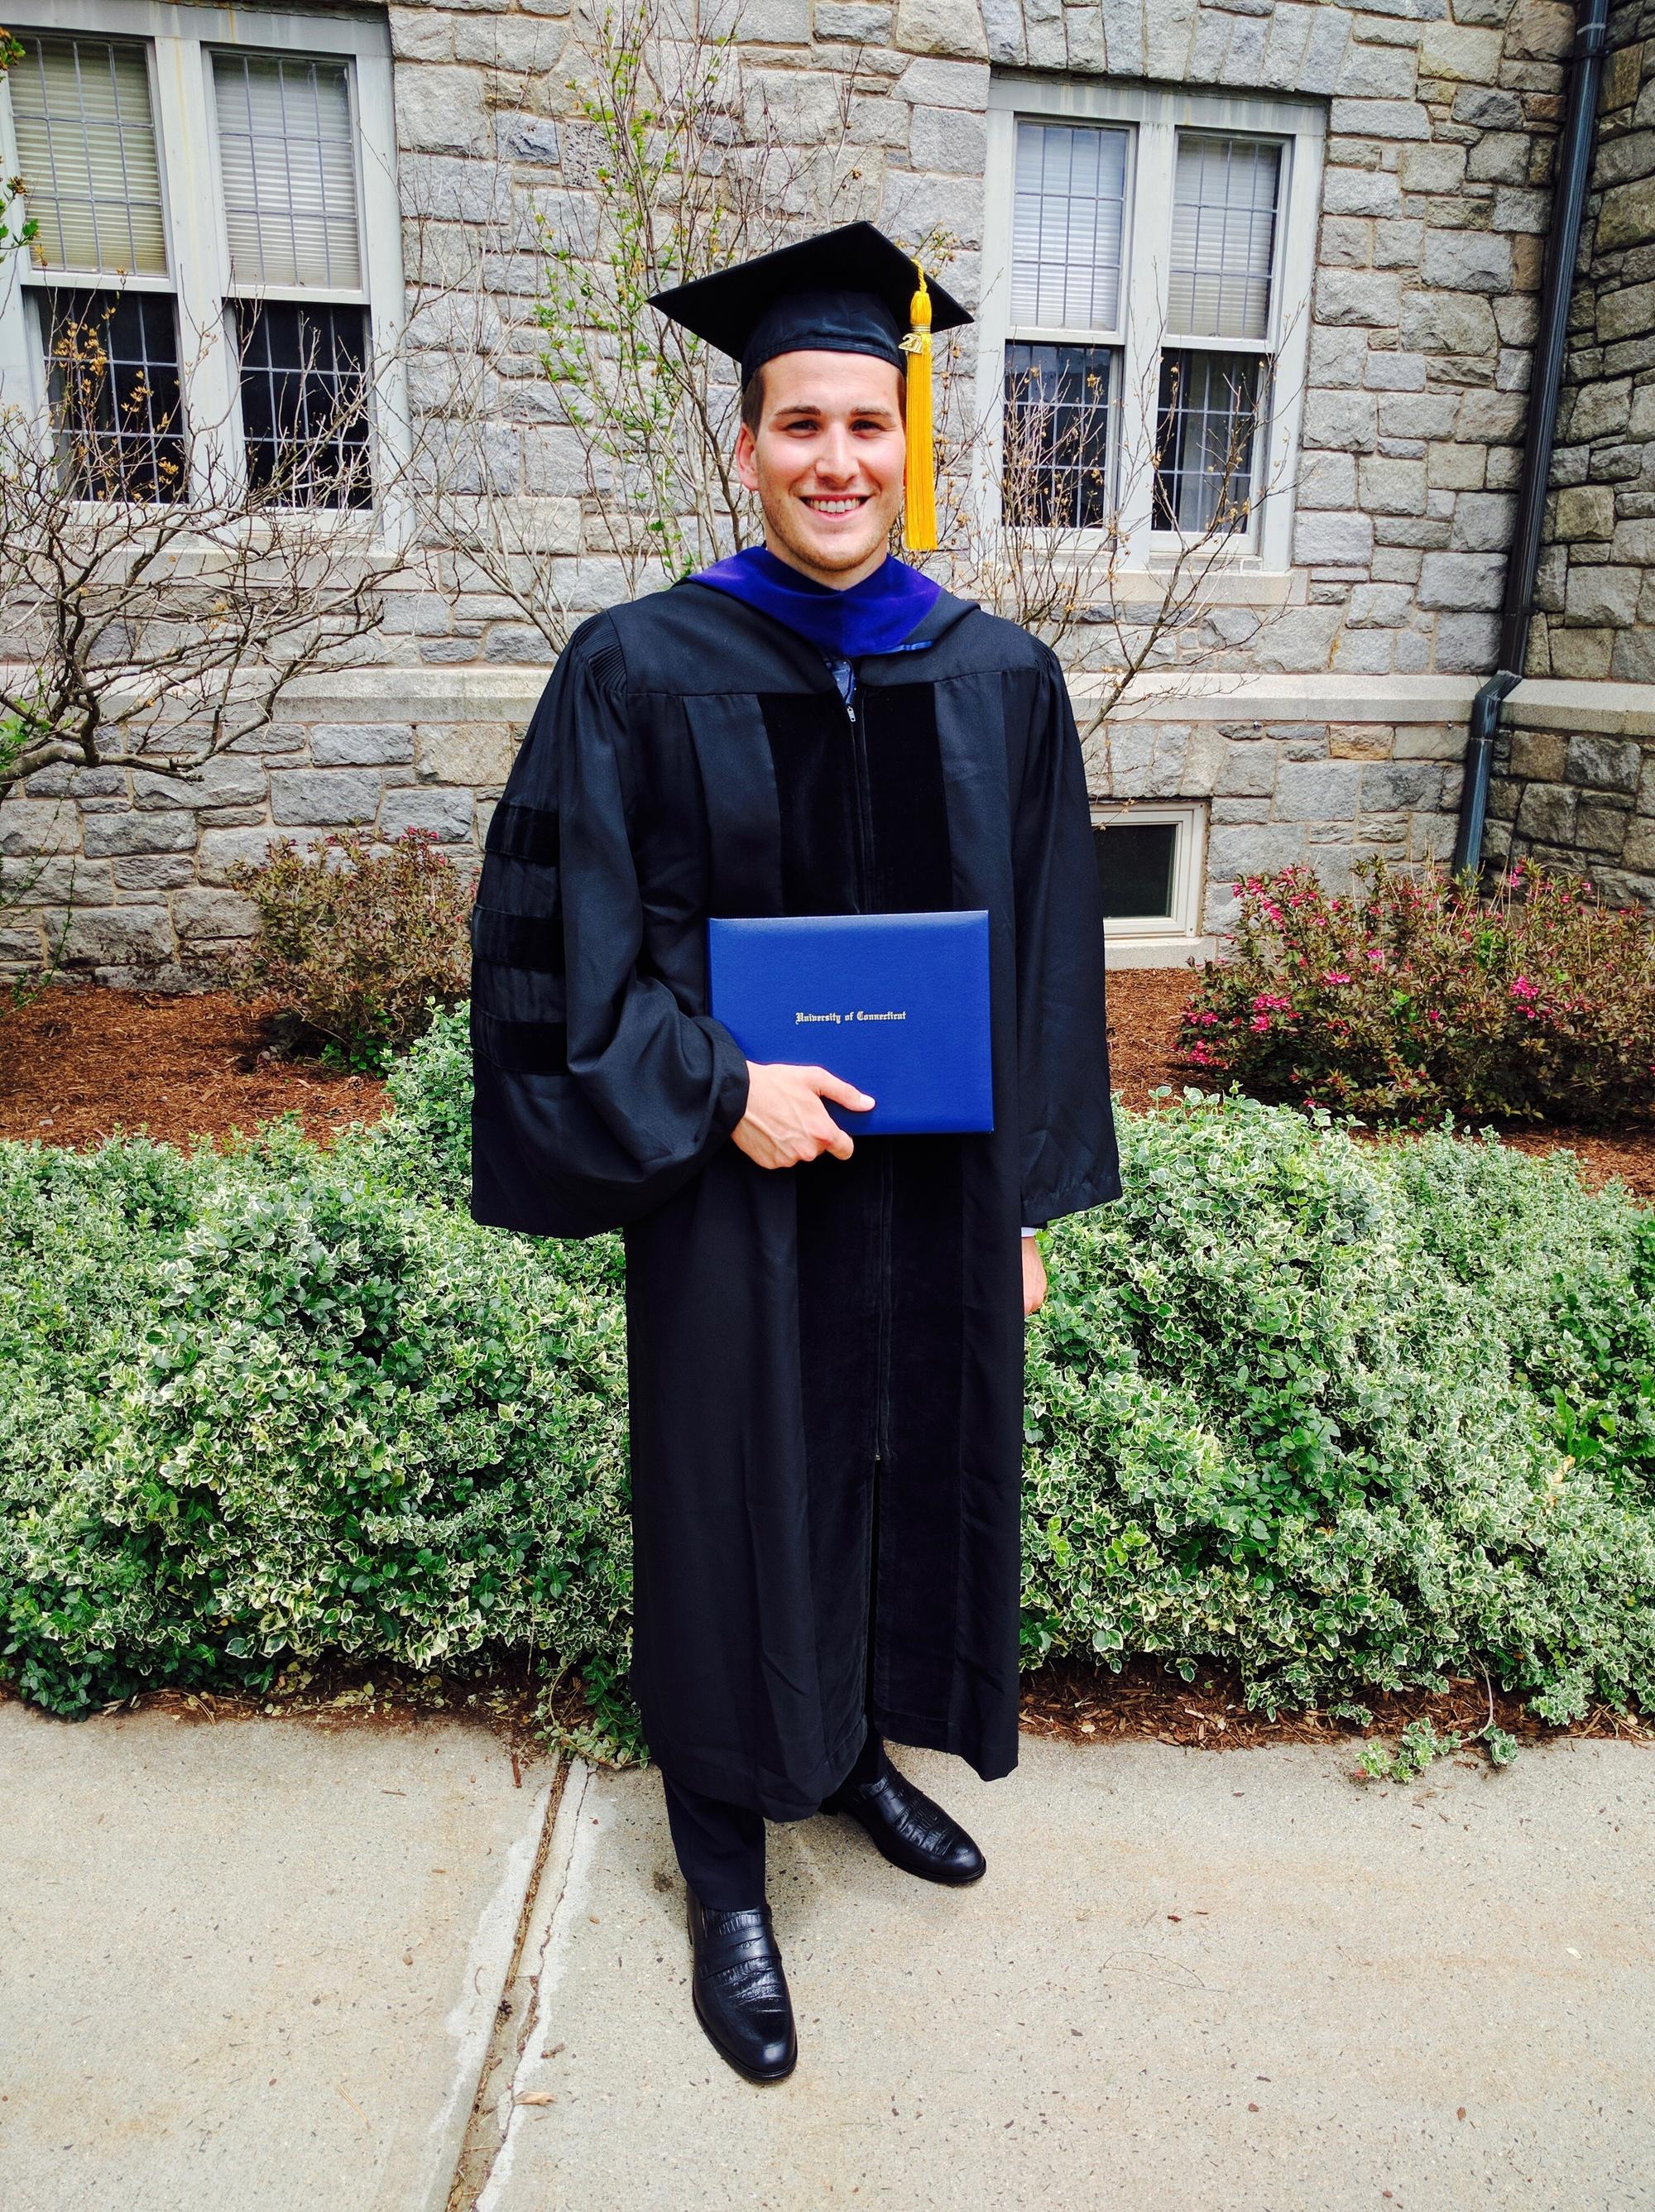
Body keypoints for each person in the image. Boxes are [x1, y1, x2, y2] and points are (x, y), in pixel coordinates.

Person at [468, 221, 1119, 2085]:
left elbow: (1043, 950)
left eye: (869, 423)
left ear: (911, 443)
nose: (838, 457)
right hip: (725, 1185)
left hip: (928, 1191)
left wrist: (1019, 1193)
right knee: (732, 1489)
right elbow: (562, 954)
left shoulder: (996, 673)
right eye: (799, 424)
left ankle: (847, 1755)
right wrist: (709, 1084)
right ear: (743, 448)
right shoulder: (635, 666)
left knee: (901, 1460)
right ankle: (724, 1848)